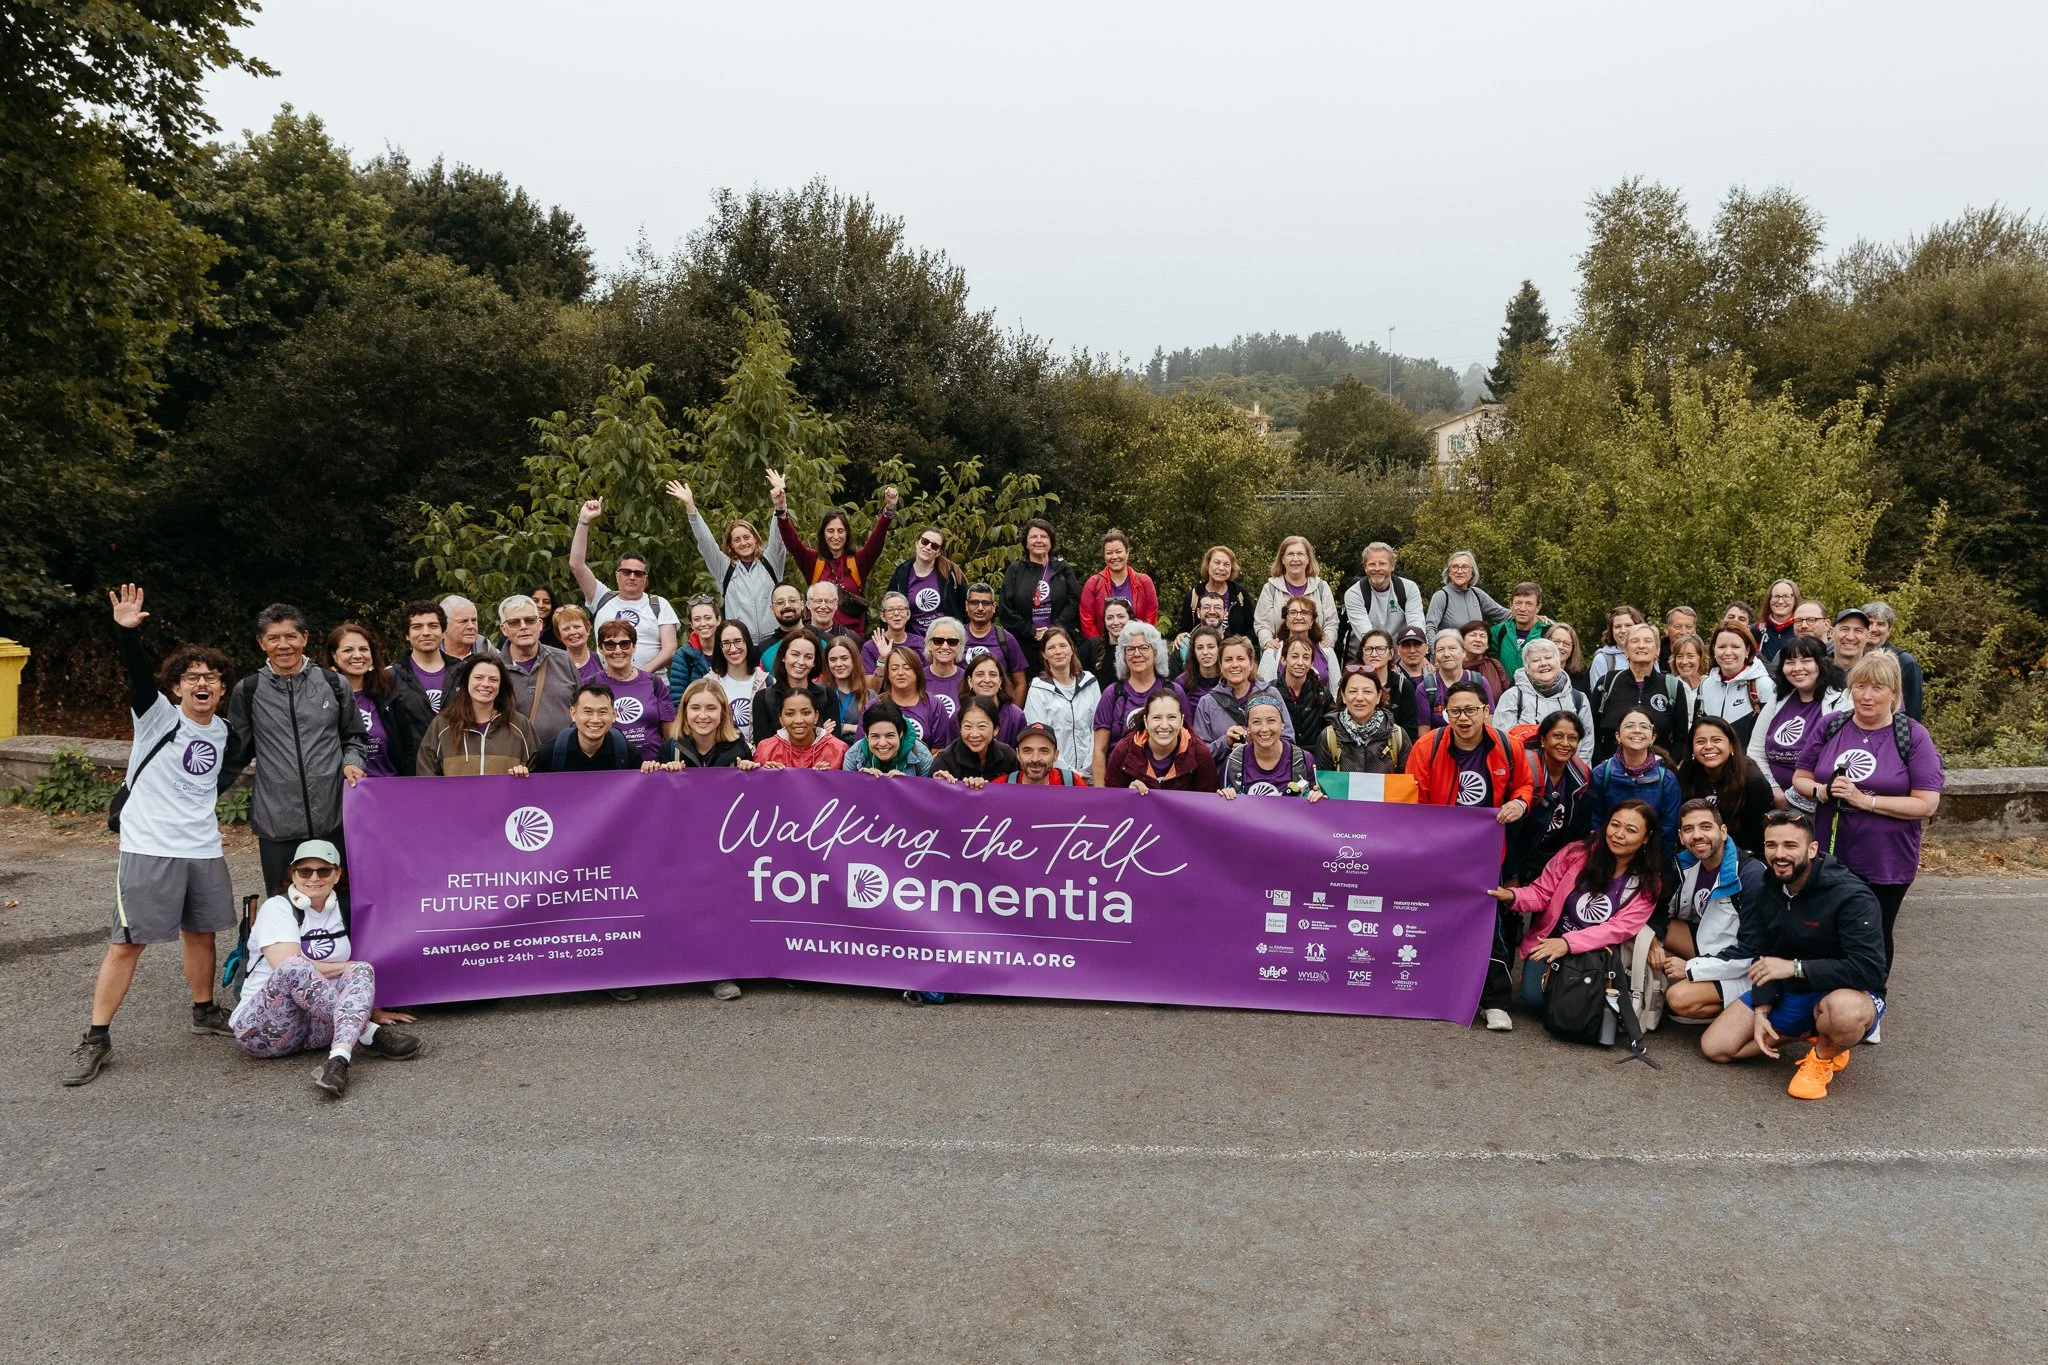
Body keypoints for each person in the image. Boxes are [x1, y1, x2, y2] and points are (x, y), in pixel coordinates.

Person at [64, 585, 239, 1086]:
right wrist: (126, 634)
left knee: (201, 933)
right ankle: (97, 1037)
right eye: (192, 677)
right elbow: (137, 676)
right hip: (148, 848)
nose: (202, 683)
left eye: (212, 678)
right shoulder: (156, 715)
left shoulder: (224, 730)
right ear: (177, 687)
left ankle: (203, 1011)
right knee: (128, 943)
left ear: (222, 688)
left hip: (203, 848)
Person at [1699, 811, 1887, 1101]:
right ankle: (1810, 1030)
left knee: (1845, 1012)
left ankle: (1825, 1054)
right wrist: (1762, 1009)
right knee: (1717, 1047)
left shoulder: (1852, 896)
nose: (1779, 854)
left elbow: (1870, 971)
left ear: (1812, 850)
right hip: (1794, 988)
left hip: (1845, 989)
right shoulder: (1768, 887)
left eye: (1790, 845)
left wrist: (1794, 968)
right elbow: (1765, 954)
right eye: (1771, 845)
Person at [228, 840, 420, 1097]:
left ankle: (339, 1060)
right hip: (264, 1032)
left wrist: (363, 996)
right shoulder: (276, 908)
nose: (314, 878)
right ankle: (370, 1034)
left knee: (362, 969)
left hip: (320, 1031)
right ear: (293, 874)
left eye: (323, 871)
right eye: (305, 871)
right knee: (294, 966)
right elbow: (285, 965)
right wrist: (347, 974)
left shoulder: (344, 909)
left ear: (337, 873)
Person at [1792, 652, 1945, 970]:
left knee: (1872, 932)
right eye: (1860, 686)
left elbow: (1926, 803)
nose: (1866, 695)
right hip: (1832, 852)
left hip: (1886, 858)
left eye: (1877, 687)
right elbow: (1801, 777)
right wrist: (1821, 791)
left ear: (1894, 693)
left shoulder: (1912, 735)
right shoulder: (1831, 725)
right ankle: (1829, 1002)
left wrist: (1866, 802)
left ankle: (1871, 1000)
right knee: (1827, 928)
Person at [222, 604, 368, 898]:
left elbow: (354, 736)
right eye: (273, 638)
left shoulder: (333, 684)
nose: (283, 645)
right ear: (261, 643)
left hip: (333, 817)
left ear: (304, 637)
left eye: (290, 636)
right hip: (277, 822)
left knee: (337, 903)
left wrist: (352, 762)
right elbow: (235, 752)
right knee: (284, 905)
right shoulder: (248, 690)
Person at [1487, 800, 1665, 1033]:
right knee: (1533, 1000)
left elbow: (1617, 928)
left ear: (1646, 838)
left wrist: (1568, 944)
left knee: (1577, 1006)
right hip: (1550, 940)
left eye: (1631, 830)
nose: (1619, 835)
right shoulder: (1576, 853)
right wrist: (1511, 895)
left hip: (1598, 953)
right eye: (1615, 825)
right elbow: (1542, 892)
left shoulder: (1648, 882)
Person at [1653, 799, 1765, 1023]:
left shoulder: (1751, 875)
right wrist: (1652, 942)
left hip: (1747, 965)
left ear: (1723, 832)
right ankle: (1706, 983)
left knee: (1678, 999)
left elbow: (1752, 951)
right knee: (1652, 939)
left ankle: (1749, 1007)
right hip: (1711, 943)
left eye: (1705, 827)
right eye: (1688, 829)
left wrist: (1690, 968)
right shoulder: (1681, 865)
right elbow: (1656, 911)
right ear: (1681, 837)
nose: (1697, 835)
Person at [769, 470, 897, 631]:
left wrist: (889, 510)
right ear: (823, 534)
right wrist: (781, 508)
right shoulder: (813, 561)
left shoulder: (857, 561)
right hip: (818, 638)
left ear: (847, 534)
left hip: (851, 640)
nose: (835, 536)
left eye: (840, 531)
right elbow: (792, 542)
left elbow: (876, 542)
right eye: (830, 531)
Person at [566, 500, 680, 675]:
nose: (632, 577)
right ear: (617, 575)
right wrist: (584, 520)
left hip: (651, 683)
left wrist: (637, 676)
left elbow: (670, 648)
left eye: (638, 573)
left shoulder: (659, 604)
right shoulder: (602, 597)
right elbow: (576, 565)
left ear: (645, 579)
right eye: (626, 572)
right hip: (606, 682)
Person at [667, 481, 789, 644]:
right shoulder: (724, 568)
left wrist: (780, 506)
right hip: (740, 643)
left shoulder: (771, 562)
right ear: (731, 545)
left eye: (747, 537)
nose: (743, 543)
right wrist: (691, 508)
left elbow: (779, 537)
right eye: (737, 540)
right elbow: (706, 543)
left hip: (774, 641)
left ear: (755, 539)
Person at [1746, 634, 1849, 814]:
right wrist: (1775, 791)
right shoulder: (1778, 700)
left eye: (1806, 661)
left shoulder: (1841, 702)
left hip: (1818, 802)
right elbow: (1755, 752)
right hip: (1774, 799)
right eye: (1790, 662)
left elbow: (1836, 759)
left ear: (1822, 663)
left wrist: (1793, 797)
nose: (1797, 668)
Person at [1405, 680, 1532, 816]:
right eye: (1455, 711)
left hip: (1491, 830)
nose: (1463, 717)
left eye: (1471, 710)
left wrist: (1519, 803)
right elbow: (1415, 800)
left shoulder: (1509, 745)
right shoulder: (1425, 747)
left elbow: (1524, 784)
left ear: (1485, 711)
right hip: (1440, 829)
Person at [1091, 621, 1187, 786]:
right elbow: (1099, 749)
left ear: (1156, 652)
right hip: (1120, 783)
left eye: (1144, 648)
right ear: (1123, 655)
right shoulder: (1112, 694)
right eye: (1130, 649)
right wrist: (1101, 793)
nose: (1137, 654)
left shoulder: (1174, 691)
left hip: (1166, 785)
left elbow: (1187, 742)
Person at [1504, 712, 1593, 886]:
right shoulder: (1525, 772)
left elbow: (1579, 831)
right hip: (1520, 857)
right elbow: (1509, 833)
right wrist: (1511, 874)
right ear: (1543, 739)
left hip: (1553, 861)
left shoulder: (1582, 776)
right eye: (1558, 736)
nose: (1565, 744)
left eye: (1572, 738)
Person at [415, 656, 539, 775]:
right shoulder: (442, 724)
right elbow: (426, 776)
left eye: (493, 679)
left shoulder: (520, 725)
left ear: (501, 685)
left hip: (508, 797)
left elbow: (539, 773)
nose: (486, 684)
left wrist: (523, 777)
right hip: (454, 798)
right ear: (466, 681)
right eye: (478, 677)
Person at [1678, 716, 1775, 859]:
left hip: (1743, 858)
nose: (1709, 746)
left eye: (1716, 740)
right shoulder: (1685, 777)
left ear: (1731, 746)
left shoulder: (1754, 782)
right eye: (1700, 741)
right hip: (1697, 852)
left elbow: (1757, 837)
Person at [1589, 622, 1688, 762]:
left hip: (1658, 775)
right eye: (1635, 641)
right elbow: (1591, 732)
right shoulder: (1607, 683)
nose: (1641, 645)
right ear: (1625, 650)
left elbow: (1681, 738)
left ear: (1657, 650)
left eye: (1648, 641)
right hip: (1611, 774)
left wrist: (1666, 767)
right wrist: (1605, 766)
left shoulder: (1672, 686)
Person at [1589, 706, 1683, 850]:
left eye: (1644, 726)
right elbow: (1594, 821)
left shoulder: (1667, 779)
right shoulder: (1601, 774)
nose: (1637, 730)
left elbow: (1667, 830)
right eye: (1629, 726)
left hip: (1650, 858)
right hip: (1607, 854)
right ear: (1618, 735)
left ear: (1653, 737)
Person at [999, 517, 1082, 671]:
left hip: (1059, 643)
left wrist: (1053, 629)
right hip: (1024, 644)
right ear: (1026, 542)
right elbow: (1006, 608)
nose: (1039, 540)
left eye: (1044, 536)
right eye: (1033, 537)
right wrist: (1031, 631)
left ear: (1051, 542)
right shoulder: (1015, 571)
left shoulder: (1062, 568)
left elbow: (1074, 602)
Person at [1490, 637, 1594, 760]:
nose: (1543, 663)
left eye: (1549, 657)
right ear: (1526, 668)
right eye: (1536, 660)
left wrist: (1580, 775)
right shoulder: (1512, 697)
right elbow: (1503, 742)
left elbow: (1586, 743)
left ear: (1558, 661)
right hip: (1525, 772)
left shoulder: (1578, 698)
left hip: (1568, 773)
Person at [1193, 635, 1294, 759]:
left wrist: (1258, 743)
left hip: (1268, 774)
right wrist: (1226, 742)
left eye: (1241, 659)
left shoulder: (1271, 694)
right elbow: (1199, 754)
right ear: (1220, 665)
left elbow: (1288, 740)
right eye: (1228, 660)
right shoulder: (1207, 703)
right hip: (1224, 776)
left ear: (1251, 664)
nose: (1235, 665)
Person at [590, 619, 676, 761]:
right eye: (610, 645)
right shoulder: (591, 684)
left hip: (653, 768)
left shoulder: (654, 683)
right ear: (600, 648)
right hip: (608, 769)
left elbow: (670, 732)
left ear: (634, 646)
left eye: (624, 644)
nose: (618, 651)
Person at [497, 592, 577, 745]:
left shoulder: (564, 660)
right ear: (504, 629)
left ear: (540, 624)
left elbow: (580, 707)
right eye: (514, 622)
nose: (523, 627)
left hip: (562, 757)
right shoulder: (492, 668)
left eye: (529, 620)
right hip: (515, 761)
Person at [1022, 626, 1099, 781]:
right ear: (1044, 654)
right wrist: (1070, 772)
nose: (1058, 651)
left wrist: (1089, 765)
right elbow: (1041, 737)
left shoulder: (1090, 682)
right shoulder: (1038, 689)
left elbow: (1097, 727)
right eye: (1051, 647)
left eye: (1063, 645)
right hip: (1056, 775)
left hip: (1091, 772)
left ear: (1072, 648)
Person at [520, 683, 653, 773]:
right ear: (573, 713)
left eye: (602, 712)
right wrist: (520, 775)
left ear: (614, 715)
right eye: (588, 712)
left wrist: (653, 771)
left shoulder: (626, 753)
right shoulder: (549, 753)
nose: (595, 720)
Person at [1103, 691, 1218, 793]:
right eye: (1156, 718)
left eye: (1171, 717)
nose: (1164, 726)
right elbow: (1111, 801)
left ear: (1182, 720)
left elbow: (1207, 807)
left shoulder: (1200, 754)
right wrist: (1127, 794)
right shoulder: (1125, 750)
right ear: (1146, 721)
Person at [328, 623, 401, 778]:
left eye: (363, 649)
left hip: (389, 789)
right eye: (348, 650)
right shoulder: (324, 699)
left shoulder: (389, 695)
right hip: (344, 792)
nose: (357, 655)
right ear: (334, 655)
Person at [386, 599, 451, 771]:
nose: (426, 632)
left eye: (433, 626)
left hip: (457, 770)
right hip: (409, 773)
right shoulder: (389, 678)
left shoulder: (464, 673)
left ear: (444, 631)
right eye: (417, 627)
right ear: (407, 634)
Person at [1219, 695, 1322, 799]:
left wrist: (1316, 797)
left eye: (1271, 720)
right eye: (1256, 722)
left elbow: (1313, 805)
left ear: (1282, 724)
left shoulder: (1302, 760)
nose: (1264, 729)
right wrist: (1226, 795)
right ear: (1248, 727)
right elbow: (1224, 808)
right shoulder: (1234, 761)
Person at [1253, 534, 1338, 650]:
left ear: (1308, 559)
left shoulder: (1321, 587)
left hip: (1316, 652)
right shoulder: (1270, 588)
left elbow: (1331, 622)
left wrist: (1328, 640)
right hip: (1279, 651)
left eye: (1300, 554)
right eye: (1290, 554)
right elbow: (1262, 623)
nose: (1295, 559)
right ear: (1282, 560)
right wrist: (1267, 641)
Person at [1696, 623, 1776, 745]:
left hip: (1748, 763)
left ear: (1747, 650)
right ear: (1713, 649)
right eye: (1722, 647)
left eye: (1735, 647)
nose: (1728, 652)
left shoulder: (1763, 686)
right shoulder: (1705, 685)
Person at [1316, 670, 1408, 774]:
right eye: (1353, 691)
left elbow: (1406, 784)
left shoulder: (1397, 736)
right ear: (1343, 695)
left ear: (1378, 696)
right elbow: (1325, 783)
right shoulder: (1329, 737)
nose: (1359, 698)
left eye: (1367, 691)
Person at [750, 628, 828, 747]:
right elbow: (762, 746)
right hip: (777, 764)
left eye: (808, 657)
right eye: (795, 655)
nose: (801, 662)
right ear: (783, 656)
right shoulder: (764, 698)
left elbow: (832, 743)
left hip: (820, 763)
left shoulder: (826, 694)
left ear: (814, 662)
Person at [886, 524, 968, 637]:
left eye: (934, 546)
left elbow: (966, 607)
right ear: (917, 543)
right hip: (913, 641)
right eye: (925, 541)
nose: (928, 547)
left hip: (946, 640)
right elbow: (889, 607)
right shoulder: (901, 573)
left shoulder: (951, 572)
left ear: (938, 552)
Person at [1081, 528, 1160, 642]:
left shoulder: (1144, 581)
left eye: (1118, 552)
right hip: (1104, 649)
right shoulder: (1093, 584)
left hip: (1137, 647)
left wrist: (1140, 642)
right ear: (1104, 555)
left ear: (1127, 552)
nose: (1114, 557)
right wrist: (1099, 646)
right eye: (1109, 553)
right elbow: (1087, 621)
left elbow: (1151, 617)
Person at [662, 677, 758, 771]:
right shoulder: (670, 749)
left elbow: (749, 786)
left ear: (723, 712)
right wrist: (666, 772)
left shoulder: (739, 748)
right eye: (695, 708)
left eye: (711, 708)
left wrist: (748, 772)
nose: (703, 715)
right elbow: (658, 786)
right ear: (685, 711)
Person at [1342, 541, 1426, 643]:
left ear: (1392, 566)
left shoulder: (1409, 588)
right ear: (1365, 567)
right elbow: (1367, 634)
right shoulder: (1354, 594)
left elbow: (1415, 626)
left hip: (1400, 651)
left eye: (1382, 564)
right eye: (1372, 564)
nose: (1377, 569)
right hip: (1365, 652)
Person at [961, 581, 1028, 703]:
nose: (980, 608)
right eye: (974, 603)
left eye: (986, 603)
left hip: (999, 710)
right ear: (966, 606)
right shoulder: (956, 638)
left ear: (994, 607)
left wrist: (1013, 716)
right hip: (963, 710)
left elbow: (1020, 683)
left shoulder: (1006, 639)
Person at [752, 689, 850, 771]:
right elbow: (755, 788)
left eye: (806, 713)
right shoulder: (766, 749)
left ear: (816, 716)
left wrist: (830, 778)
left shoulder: (838, 750)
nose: (798, 721)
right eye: (790, 714)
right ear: (781, 719)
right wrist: (764, 775)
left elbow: (850, 788)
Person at [931, 696, 1019, 786]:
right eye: (968, 726)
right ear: (960, 728)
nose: (974, 734)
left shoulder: (1008, 756)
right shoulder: (944, 760)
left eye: (982, 726)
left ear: (995, 729)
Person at [879, 644, 950, 752]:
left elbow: (939, 750)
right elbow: (862, 747)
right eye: (894, 668)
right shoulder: (875, 705)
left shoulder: (935, 705)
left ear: (917, 672)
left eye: (907, 668)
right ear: (887, 674)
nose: (900, 673)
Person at [1862, 602, 1925, 720]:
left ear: (1889, 629)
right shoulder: (1854, 657)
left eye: (1880, 624)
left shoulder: (1905, 662)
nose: (1873, 629)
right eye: (1869, 623)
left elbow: (1913, 711)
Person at [1179, 544, 1257, 641]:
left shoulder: (1239, 594)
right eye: (1217, 563)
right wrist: (1180, 636)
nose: (1221, 568)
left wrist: (1244, 641)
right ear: (1208, 565)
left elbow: (1254, 627)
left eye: (1226, 564)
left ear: (1231, 568)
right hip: (1202, 652)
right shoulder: (1194, 596)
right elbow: (1184, 631)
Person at [1353, 628, 1421, 737]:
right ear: (1362, 654)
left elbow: (1410, 731)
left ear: (1390, 653)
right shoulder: (1350, 683)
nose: (1374, 654)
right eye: (1369, 649)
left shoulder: (1403, 686)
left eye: (1380, 649)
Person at [1418, 628, 1490, 730]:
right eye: (1440, 650)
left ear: (1463, 652)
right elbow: (1423, 733)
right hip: (1439, 744)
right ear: (1435, 655)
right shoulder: (1426, 688)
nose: (1446, 654)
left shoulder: (1480, 682)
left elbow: (1488, 725)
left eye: (1452, 648)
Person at [1425, 550, 1511, 635]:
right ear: (1449, 572)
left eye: (1465, 567)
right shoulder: (1441, 596)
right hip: (1451, 648)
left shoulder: (1477, 594)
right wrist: (1434, 649)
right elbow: (1430, 628)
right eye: (1455, 567)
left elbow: (1503, 614)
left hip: (1476, 647)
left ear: (1472, 573)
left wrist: (1522, 613)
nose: (1459, 571)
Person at [1258, 596, 1341, 684]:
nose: (1298, 617)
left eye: (1304, 613)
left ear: (1312, 621)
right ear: (1286, 620)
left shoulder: (1326, 651)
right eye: (1293, 612)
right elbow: (1261, 691)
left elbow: (1337, 689)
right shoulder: (1272, 652)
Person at [842, 700, 934, 777]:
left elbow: (927, 796)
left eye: (889, 736)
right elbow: (846, 794)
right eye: (875, 736)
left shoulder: (922, 756)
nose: (882, 743)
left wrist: (906, 786)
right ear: (866, 736)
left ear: (900, 734)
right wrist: (861, 782)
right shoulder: (853, 755)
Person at [1274, 637, 1334, 752]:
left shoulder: (1322, 693)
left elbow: (1333, 730)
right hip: (1281, 757)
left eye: (1306, 657)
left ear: (1311, 663)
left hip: (1314, 760)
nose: (1300, 662)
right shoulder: (1272, 692)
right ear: (1283, 660)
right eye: (1295, 656)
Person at [708, 619, 765, 736]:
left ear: (747, 642)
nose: (733, 649)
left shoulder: (767, 682)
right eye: (726, 643)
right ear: (720, 647)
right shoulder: (709, 684)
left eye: (738, 641)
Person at [821, 635, 877, 745]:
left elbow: (875, 729)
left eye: (844, 658)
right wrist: (852, 728)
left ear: (854, 660)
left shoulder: (869, 695)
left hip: (859, 755)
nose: (838, 664)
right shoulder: (818, 692)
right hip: (826, 756)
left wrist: (838, 728)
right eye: (833, 660)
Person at [961, 652, 1026, 746]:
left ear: (1000, 681)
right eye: (980, 674)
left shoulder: (1016, 716)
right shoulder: (958, 716)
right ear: (970, 681)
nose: (987, 680)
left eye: (992, 674)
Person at [1489, 583, 1553, 677]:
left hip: (1539, 690)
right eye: (1518, 603)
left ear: (1538, 608)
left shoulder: (1550, 631)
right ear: (1511, 605)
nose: (1522, 609)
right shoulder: (1500, 630)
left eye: (1529, 604)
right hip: (1507, 691)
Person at [920, 618, 968, 741]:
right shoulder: (917, 679)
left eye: (952, 642)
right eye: (938, 641)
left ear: (959, 646)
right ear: (929, 644)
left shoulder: (968, 680)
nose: (945, 646)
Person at [994, 723, 1086, 786]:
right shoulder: (1002, 786)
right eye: (1027, 751)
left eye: (1044, 751)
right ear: (1018, 754)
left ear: (1056, 755)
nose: (1035, 759)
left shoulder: (1071, 783)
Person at [862, 591, 925, 681]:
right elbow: (871, 690)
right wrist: (882, 660)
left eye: (901, 609)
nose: (896, 613)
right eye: (891, 610)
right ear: (883, 616)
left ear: (908, 614)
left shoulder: (921, 643)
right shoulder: (870, 647)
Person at [1586, 605, 1645, 690]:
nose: (1623, 631)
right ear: (1611, 631)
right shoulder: (1602, 659)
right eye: (1618, 627)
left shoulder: (1648, 655)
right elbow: (1598, 697)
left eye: (1628, 625)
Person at [755, 585, 808, 677]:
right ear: (772, 609)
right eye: (780, 602)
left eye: (792, 600)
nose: (787, 606)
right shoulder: (764, 648)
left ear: (802, 605)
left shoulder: (822, 640)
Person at [1174, 622, 1226, 709]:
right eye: (1200, 647)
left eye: (1211, 647)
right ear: (1193, 652)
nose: (1205, 652)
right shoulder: (1182, 682)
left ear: (1219, 649)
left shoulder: (1228, 681)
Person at [1460, 620, 1510, 702]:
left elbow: (1508, 695)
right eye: (1473, 635)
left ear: (1487, 645)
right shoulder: (1454, 665)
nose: (1478, 640)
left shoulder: (1495, 664)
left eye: (1482, 636)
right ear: (1462, 641)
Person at [1086, 599, 1133, 686]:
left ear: (1130, 618)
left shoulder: (1139, 648)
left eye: (1121, 616)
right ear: (1104, 621)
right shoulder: (1092, 647)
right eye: (1110, 618)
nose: (1115, 622)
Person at [800, 581, 857, 652]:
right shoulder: (797, 633)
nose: (823, 606)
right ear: (808, 604)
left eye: (828, 601)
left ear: (836, 605)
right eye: (818, 601)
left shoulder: (850, 637)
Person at [553, 603, 602, 683]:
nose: (572, 632)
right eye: (566, 629)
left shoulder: (604, 663)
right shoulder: (554, 668)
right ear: (559, 635)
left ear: (588, 629)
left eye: (577, 627)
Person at [1758, 579, 1802, 661]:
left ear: (1795, 600)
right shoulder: (1757, 630)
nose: (1780, 601)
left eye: (1786, 596)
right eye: (1776, 596)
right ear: (1769, 599)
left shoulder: (1802, 630)